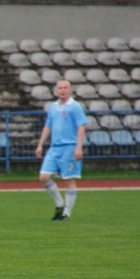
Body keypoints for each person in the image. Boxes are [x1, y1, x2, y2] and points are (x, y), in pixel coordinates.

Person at [35, 79, 87, 221]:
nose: (62, 90)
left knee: (68, 179)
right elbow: (48, 126)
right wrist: (40, 144)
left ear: (70, 90)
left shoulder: (75, 107)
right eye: (60, 88)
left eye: (65, 88)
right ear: (56, 90)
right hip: (54, 147)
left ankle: (67, 213)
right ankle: (60, 204)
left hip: (69, 147)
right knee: (43, 177)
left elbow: (81, 127)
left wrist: (78, 147)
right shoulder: (53, 107)